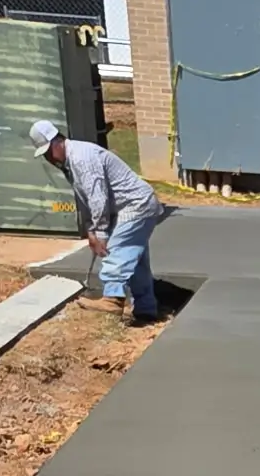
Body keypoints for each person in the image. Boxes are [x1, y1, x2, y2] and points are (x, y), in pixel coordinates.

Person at [28, 120, 162, 325]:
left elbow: (98, 197)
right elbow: (87, 198)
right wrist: (91, 229)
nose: (48, 158)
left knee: (117, 249)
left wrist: (100, 232)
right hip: (129, 206)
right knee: (135, 260)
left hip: (136, 205)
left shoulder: (82, 158)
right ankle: (146, 309)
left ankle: (112, 299)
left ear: (57, 141)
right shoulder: (70, 162)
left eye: (48, 152)